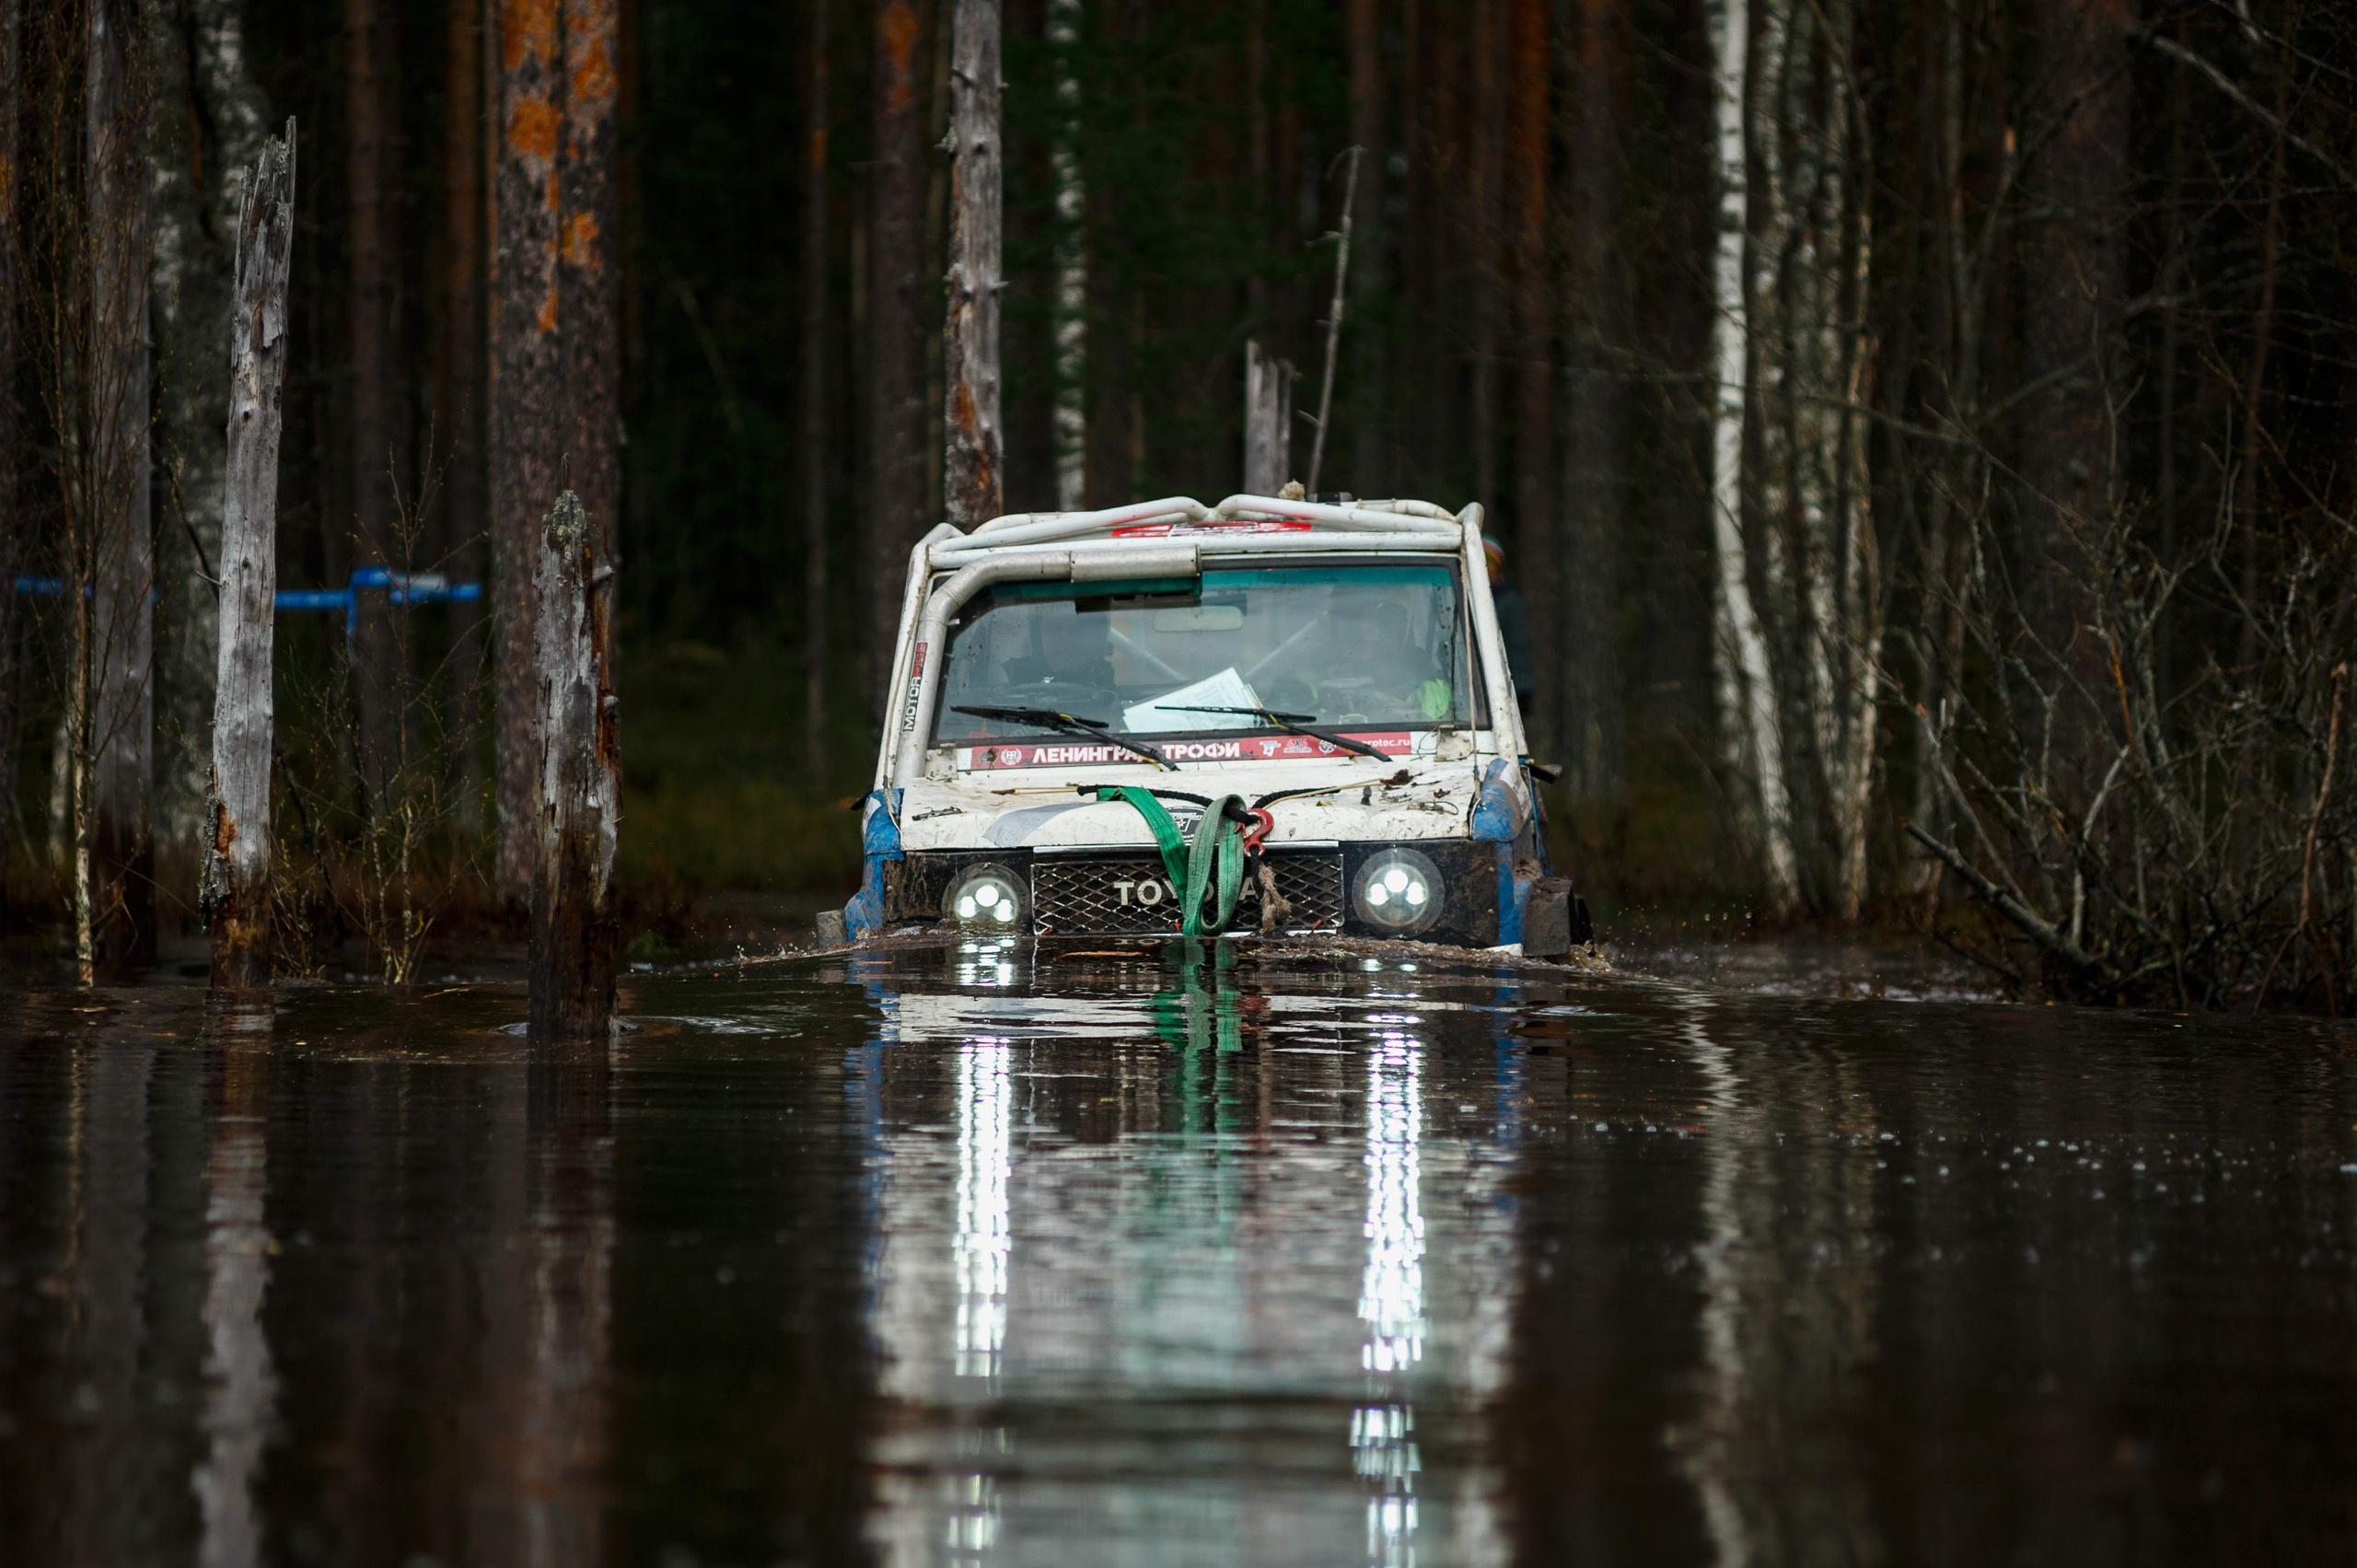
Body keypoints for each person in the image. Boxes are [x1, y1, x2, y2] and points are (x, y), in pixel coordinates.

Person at [1483, 537, 1537, 712]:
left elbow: (1518, 647)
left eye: (1489, 562)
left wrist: (1521, 688)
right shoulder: (1470, 597)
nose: (1486, 568)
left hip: (1506, 687)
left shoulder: (1509, 602)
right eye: (1482, 561)